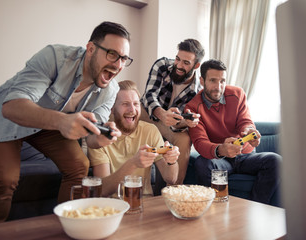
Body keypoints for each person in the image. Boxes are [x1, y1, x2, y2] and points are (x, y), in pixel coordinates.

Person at [0, 21, 132, 222]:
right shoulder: (56, 57)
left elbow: (93, 139)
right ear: (91, 48)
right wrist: (62, 121)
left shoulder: (111, 90)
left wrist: (102, 138)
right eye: (112, 54)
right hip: (8, 115)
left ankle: (67, 226)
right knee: (6, 179)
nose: (118, 65)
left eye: (124, 58)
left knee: (79, 166)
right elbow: (12, 106)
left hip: (49, 123)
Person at [185, 59, 282, 205]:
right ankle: (214, 209)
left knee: (276, 161)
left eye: (222, 81)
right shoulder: (192, 107)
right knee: (202, 164)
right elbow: (200, 142)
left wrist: (249, 131)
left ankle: (257, 206)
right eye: (213, 80)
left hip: (245, 157)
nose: (218, 87)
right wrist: (221, 149)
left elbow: (245, 121)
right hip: (220, 160)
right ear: (202, 81)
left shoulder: (237, 94)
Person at [88, 80, 179, 196]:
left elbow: (171, 179)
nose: (132, 110)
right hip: (114, 207)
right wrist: (133, 164)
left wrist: (172, 161)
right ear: (111, 108)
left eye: (136, 104)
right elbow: (102, 191)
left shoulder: (150, 130)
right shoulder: (100, 138)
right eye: (125, 104)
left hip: (145, 203)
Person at [139, 39, 204, 184]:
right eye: (177, 59)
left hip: (168, 126)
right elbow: (149, 95)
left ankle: (173, 190)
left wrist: (184, 122)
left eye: (186, 63)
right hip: (146, 114)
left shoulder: (197, 92)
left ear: (196, 65)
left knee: (184, 138)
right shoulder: (162, 66)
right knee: (132, 108)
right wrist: (162, 114)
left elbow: (177, 125)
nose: (179, 66)